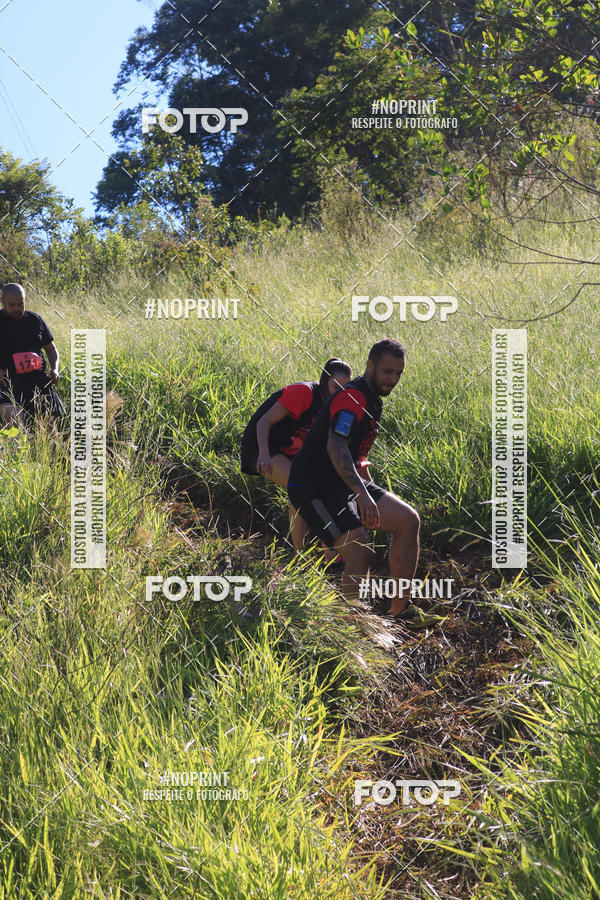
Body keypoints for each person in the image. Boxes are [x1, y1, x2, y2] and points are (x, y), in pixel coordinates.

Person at [288, 338, 442, 629]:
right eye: (387, 371)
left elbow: (354, 454)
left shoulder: (372, 399)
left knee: (408, 520)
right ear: (370, 365)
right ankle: (354, 628)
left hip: (341, 482)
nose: (393, 379)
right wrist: (362, 494)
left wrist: (371, 490)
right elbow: (336, 446)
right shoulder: (353, 398)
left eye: (398, 373)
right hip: (311, 487)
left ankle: (399, 612)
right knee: (359, 549)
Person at [241, 358, 352, 550]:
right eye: (336, 387)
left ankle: (325, 552)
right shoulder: (304, 392)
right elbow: (263, 422)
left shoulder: (334, 406)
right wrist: (264, 454)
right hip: (261, 446)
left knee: (313, 488)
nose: (340, 393)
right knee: (301, 486)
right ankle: (299, 554)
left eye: (345, 389)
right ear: (325, 381)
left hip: (289, 450)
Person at [0, 283, 65, 427]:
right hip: (7, 384)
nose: (17, 309)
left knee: (50, 425)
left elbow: (51, 349)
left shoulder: (35, 320)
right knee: (15, 419)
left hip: (38, 382)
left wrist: (54, 369)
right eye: (12, 305)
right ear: (2, 301)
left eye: (20, 304)